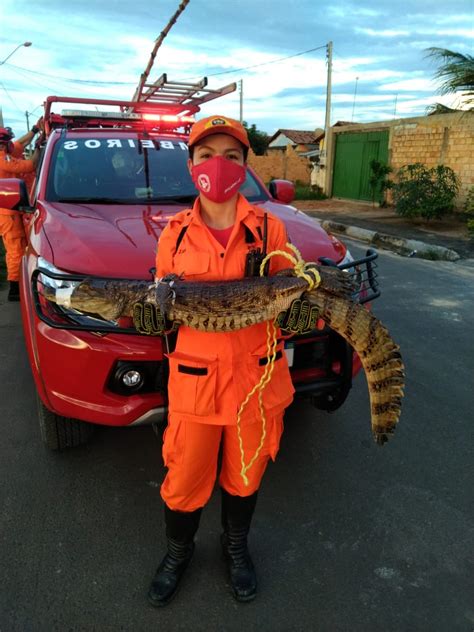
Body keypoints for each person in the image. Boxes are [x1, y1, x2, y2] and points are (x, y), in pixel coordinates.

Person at [146, 115, 308, 607]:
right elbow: (162, 304)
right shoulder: (172, 235)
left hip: (257, 383)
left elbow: (290, 300)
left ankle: (236, 548)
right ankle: (178, 552)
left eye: (232, 156)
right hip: (194, 388)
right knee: (184, 480)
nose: (219, 165)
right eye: (207, 155)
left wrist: (298, 312)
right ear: (191, 165)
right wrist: (155, 318)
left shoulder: (269, 227)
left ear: (245, 166)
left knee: (245, 475)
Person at [0, 126, 40, 300]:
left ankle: (20, 282)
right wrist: (39, 147)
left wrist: (35, 130)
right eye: (6, 142)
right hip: (8, 211)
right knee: (15, 249)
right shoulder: (3, 159)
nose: (9, 144)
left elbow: (21, 143)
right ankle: (14, 289)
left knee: (20, 246)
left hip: (15, 209)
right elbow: (30, 164)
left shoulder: (7, 153)